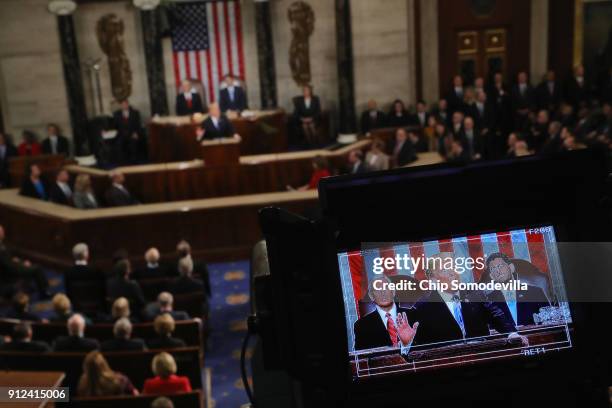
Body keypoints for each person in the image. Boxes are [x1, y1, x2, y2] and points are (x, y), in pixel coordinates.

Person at [410, 252, 524, 346]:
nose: (452, 273)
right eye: (445, 270)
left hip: (481, 354)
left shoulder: (475, 293)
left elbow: (496, 316)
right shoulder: (422, 307)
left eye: (454, 267)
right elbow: (418, 344)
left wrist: (512, 334)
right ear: (433, 279)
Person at [484, 253, 551, 326]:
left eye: (500, 266)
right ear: (492, 276)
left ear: (511, 268)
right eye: (493, 269)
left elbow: (549, 321)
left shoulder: (535, 292)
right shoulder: (489, 300)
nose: (498, 271)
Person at [353, 276, 418, 351]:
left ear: (393, 291)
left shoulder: (414, 315)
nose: (382, 292)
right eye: (377, 289)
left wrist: (406, 345)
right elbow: (360, 359)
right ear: (371, 296)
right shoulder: (361, 326)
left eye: (386, 288)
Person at [0, 225, 50, 298]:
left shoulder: (2, 244)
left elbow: (9, 259)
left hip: (10, 268)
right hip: (8, 273)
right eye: (1, 231)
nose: (3, 232)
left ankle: (28, 288)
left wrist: (19, 262)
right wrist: (22, 264)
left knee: (30, 265)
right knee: (37, 269)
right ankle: (44, 293)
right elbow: (9, 266)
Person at [113, 99, 145, 164]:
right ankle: (122, 163)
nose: (124, 106)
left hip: (132, 134)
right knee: (118, 144)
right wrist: (106, 130)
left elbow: (138, 125)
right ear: (121, 105)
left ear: (128, 104)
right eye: (122, 105)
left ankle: (134, 162)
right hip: (121, 135)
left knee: (133, 144)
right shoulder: (116, 114)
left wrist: (136, 133)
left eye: (125, 104)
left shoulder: (135, 113)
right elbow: (114, 126)